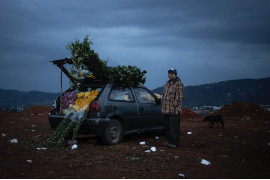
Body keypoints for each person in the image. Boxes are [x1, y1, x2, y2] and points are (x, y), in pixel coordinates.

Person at [161, 68, 184, 148]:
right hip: (166, 110)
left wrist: (173, 106)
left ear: (175, 75)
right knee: (167, 127)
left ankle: (175, 143)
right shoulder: (167, 84)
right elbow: (164, 95)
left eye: (172, 73)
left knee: (174, 127)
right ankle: (169, 141)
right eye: (169, 73)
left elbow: (180, 97)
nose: (170, 74)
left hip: (173, 111)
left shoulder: (178, 83)